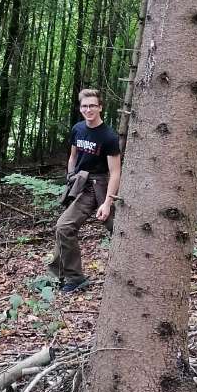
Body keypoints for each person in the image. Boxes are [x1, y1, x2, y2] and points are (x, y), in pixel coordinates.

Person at [49, 88, 122, 293]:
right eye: (84, 106)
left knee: (116, 227)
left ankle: (132, 267)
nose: (88, 109)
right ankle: (64, 275)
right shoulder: (78, 129)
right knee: (63, 227)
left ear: (100, 107)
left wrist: (107, 202)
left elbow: (115, 172)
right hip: (80, 182)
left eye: (92, 106)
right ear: (80, 108)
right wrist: (70, 177)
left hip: (99, 184)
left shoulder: (108, 136)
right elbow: (73, 156)